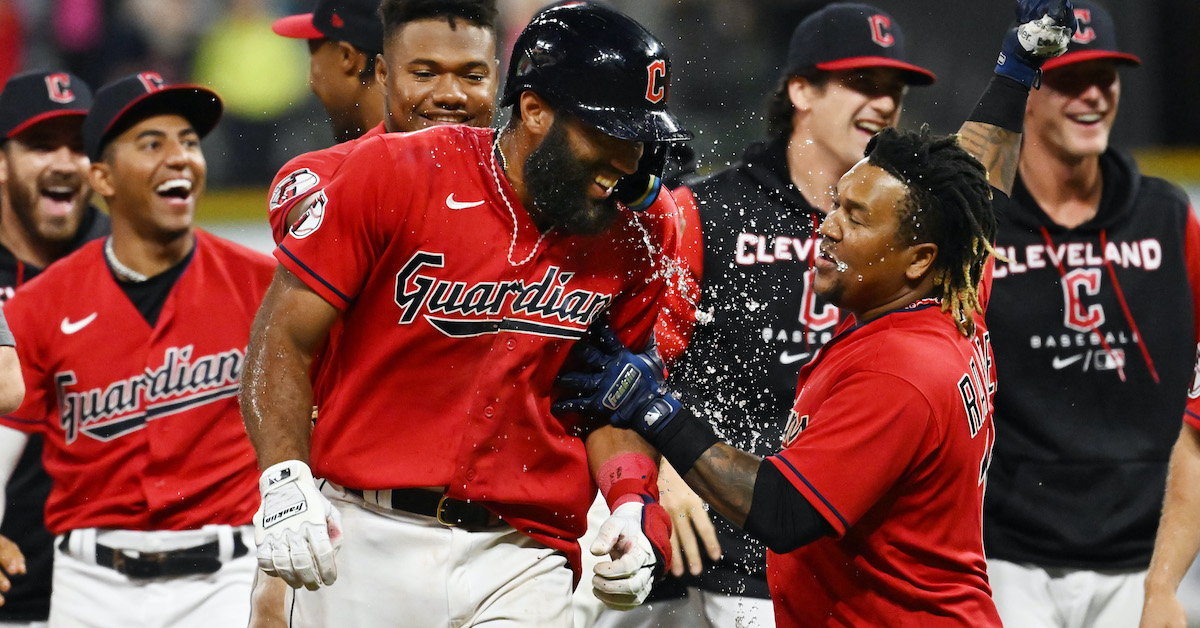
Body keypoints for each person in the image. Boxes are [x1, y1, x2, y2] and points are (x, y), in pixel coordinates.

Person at [555, 1, 1077, 625]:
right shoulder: (957, 285)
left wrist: (656, 412)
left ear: (917, 259)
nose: (825, 229)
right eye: (837, 206)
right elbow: (978, 186)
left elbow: (782, 512)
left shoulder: (901, 369)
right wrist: (1015, 73)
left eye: (854, 217)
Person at [240, 3, 689, 626]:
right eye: (609, 134)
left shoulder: (639, 226)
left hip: (523, 555)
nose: (627, 163)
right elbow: (282, 342)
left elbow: (612, 397)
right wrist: (284, 479)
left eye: (641, 141)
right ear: (534, 111)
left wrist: (632, 504)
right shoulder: (393, 174)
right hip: (365, 535)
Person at [617, 5, 935, 626]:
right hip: (690, 555)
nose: (884, 105)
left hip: (823, 559)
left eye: (894, 91)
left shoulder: (905, 239)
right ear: (800, 90)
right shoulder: (706, 212)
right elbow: (632, 356)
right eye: (862, 85)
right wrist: (661, 462)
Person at [0, 71, 275, 627]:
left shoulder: (262, 283)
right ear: (104, 176)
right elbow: (9, 427)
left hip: (226, 578)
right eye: (152, 144)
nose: (179, 157)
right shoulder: (42, 301)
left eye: (190, 142)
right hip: (80, 585)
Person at [976, 2, 1200, 626]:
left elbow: (1199, 415)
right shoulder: (982, 224)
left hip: (1141, 563)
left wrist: (1163, 585)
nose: (1096, 94)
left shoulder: (1167, 218)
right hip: (1004, 559)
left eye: (1109, 76)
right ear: (1030, 87)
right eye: (1072, 76)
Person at [0, 69, 109, 627]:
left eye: (78, 145)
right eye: (41, 145)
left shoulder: (135, 260)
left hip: (117, 590)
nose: (65, 162)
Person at [267, 0, 499, 244]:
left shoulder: (520, 177)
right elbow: (315, 228)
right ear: (383, 72)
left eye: (473, 77)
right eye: (424, 74)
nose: (450, 95)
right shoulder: (320, 174)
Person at [273, 0, 386, 143]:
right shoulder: (417, 148)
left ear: (346, 57)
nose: (311, 82)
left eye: (313, 53)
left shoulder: (343, 163)